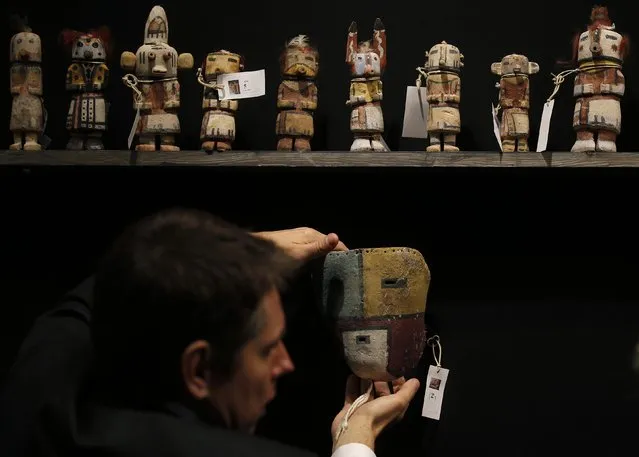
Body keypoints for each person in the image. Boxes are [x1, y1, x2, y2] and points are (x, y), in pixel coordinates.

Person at [1, 209, 420, 457]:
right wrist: (357, 439)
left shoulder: (39, 413)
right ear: (199, 368)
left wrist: (225, 260)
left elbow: (76, 313)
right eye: (267, 349)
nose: (286, 363)